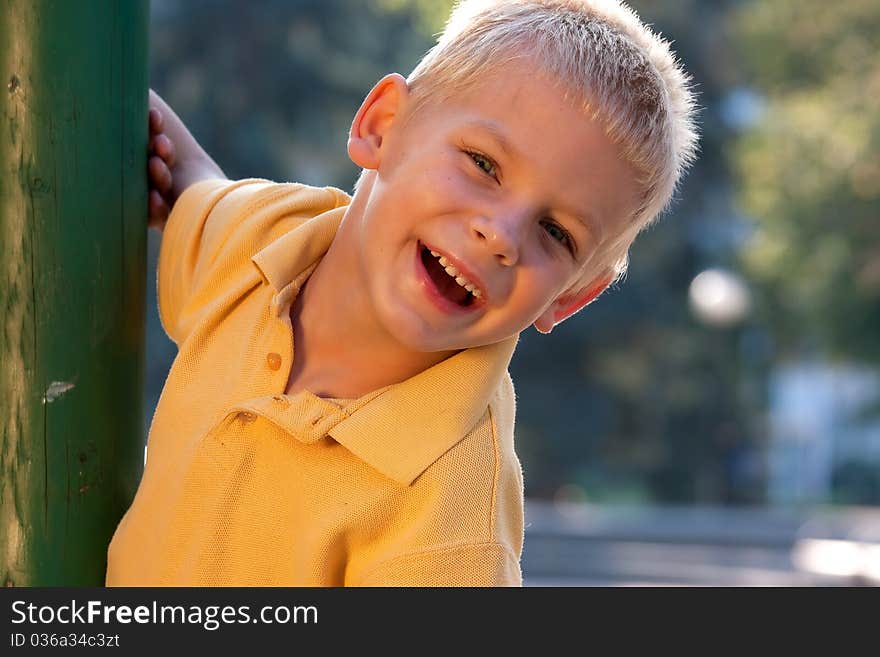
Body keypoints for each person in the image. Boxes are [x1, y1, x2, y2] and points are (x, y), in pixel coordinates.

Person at [106, 0, 698, 586]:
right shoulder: (264, 243)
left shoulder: (452, 522)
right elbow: (187, 174)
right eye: (484, 164)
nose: (501, 235)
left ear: (568, 298)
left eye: (555, 232)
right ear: (381, 125)